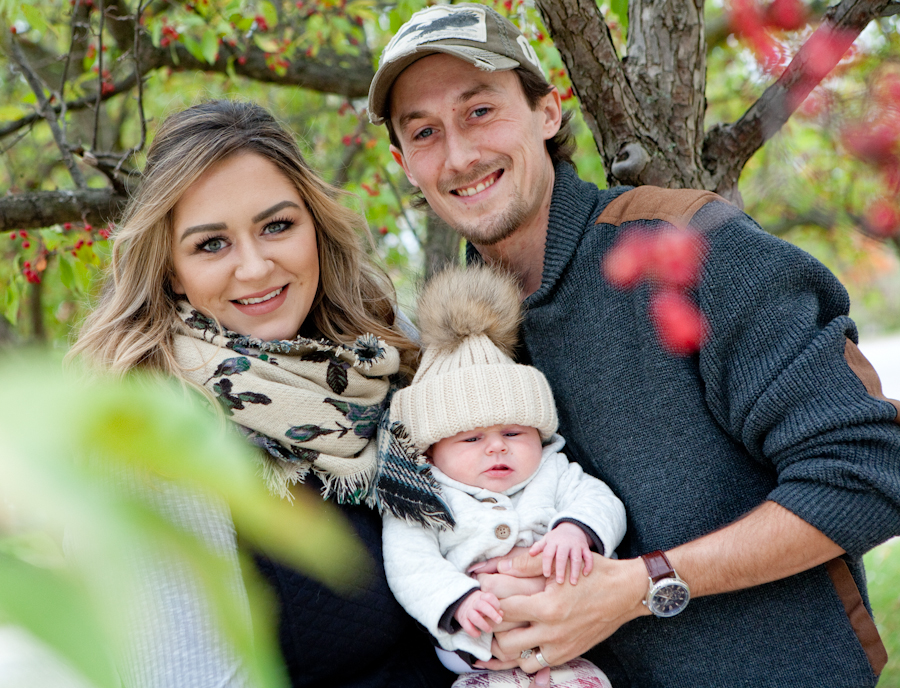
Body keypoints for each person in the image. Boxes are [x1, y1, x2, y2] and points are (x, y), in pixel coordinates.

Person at [367, 5, 900, 688]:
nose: (460, 154)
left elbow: (870, 473)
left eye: (480, 111)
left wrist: (642, 585)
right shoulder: (452, 345)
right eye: (425, 132)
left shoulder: (692, 248)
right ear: (404, 163)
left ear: (548, 112)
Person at [69, 99, 454, 688]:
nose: (254, 267)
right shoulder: (158, 435)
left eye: (277, 226)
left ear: (315, 227)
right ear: (171, 269)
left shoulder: (387, 352)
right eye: (211, 244)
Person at [383, 265, 625, 688]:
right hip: (479, 650)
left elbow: (601, 501)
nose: (496, 447)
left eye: (513, 432)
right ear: (432, 451)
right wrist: (457, 600)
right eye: (471, 439)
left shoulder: (553, 471)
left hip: (570, 641)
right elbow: (409, 564)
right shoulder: (423, 495)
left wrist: (575, 530)